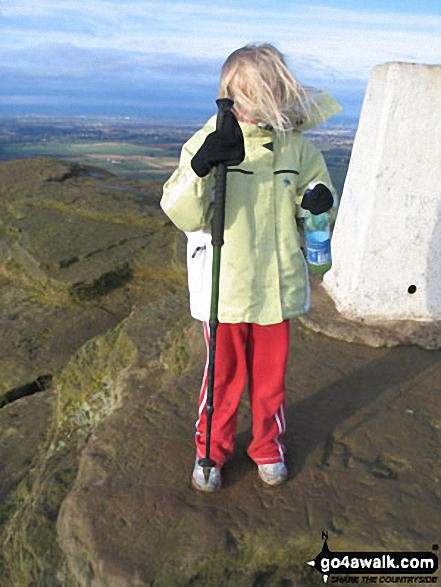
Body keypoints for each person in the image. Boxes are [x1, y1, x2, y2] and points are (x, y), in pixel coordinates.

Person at [160, 43, 340, 492]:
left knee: (269, 379)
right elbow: (182, 212)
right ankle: (210, 450)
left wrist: (316, 203)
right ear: (227, 95)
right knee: (222, 375)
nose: (256, 108)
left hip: (277, 286)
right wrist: (202, 167)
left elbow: (315, 209)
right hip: (224, 285)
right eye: (246, 97)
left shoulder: (297, 149)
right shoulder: (208, 141)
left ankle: (268, 446)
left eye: (267, 96)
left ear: (281, 96)